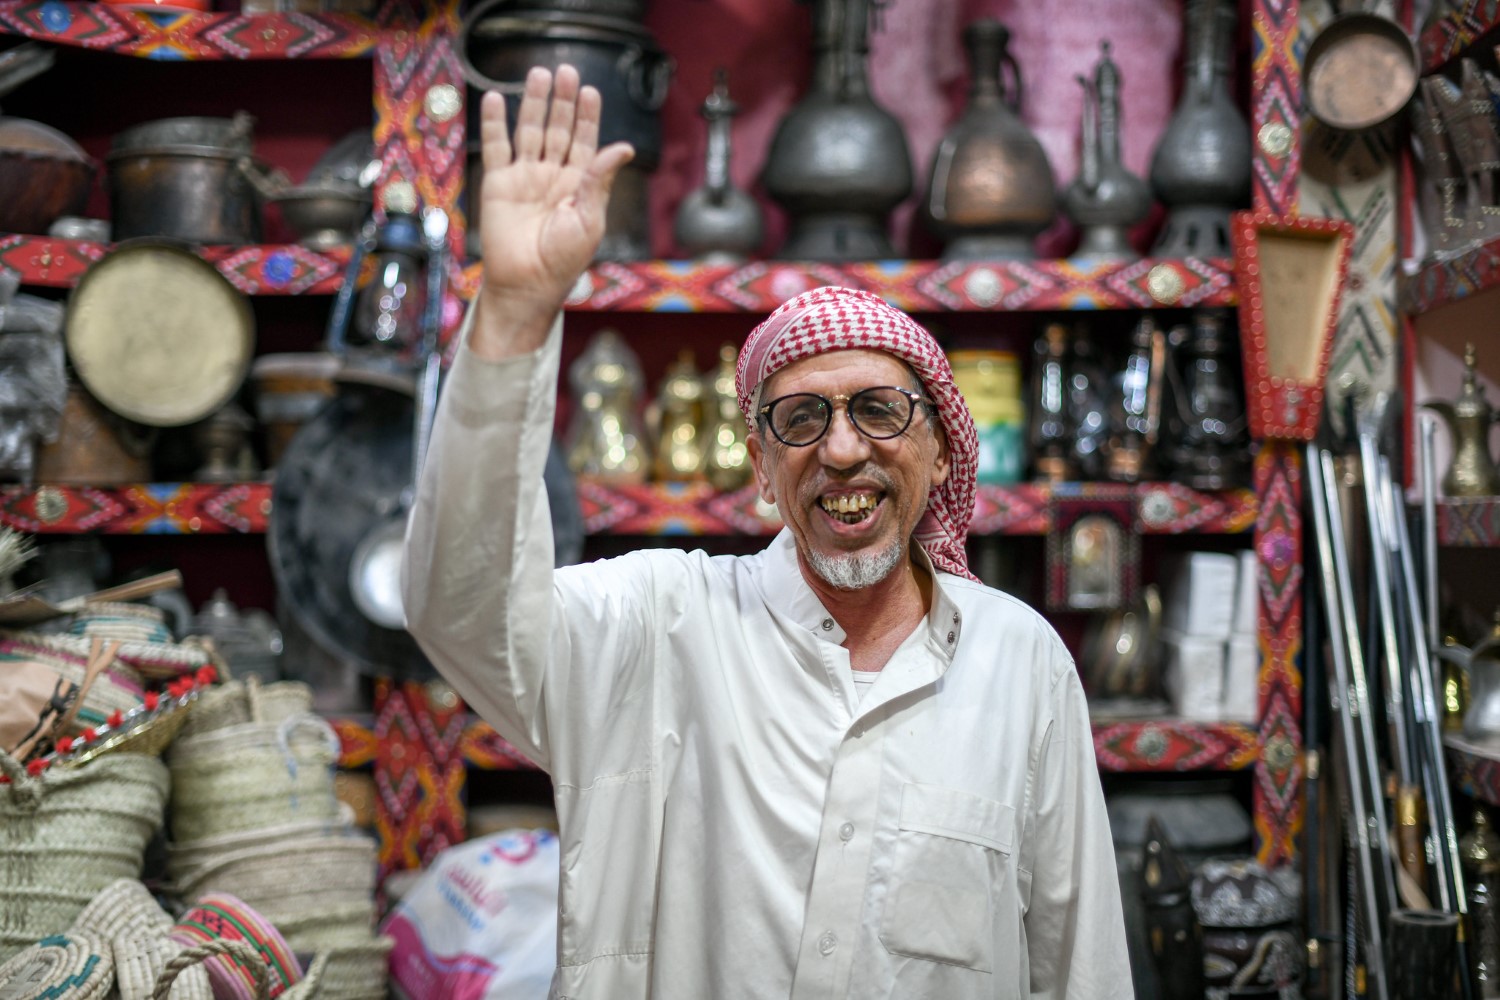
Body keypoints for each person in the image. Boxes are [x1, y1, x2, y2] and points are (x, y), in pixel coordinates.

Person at [403, 64, 1131, 999]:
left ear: (946, 449)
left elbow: (1083, 969)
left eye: (878, 410)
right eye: (798, 420)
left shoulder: (1021, 663)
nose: (840, 450)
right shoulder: (659, 628)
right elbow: (461, 608)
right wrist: (511, 312)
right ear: (761, 466)